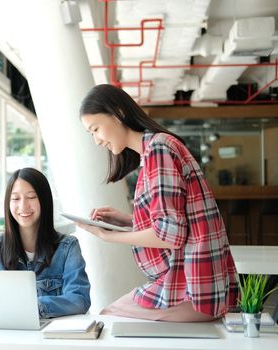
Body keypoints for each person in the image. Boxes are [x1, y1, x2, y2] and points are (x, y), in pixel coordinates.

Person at [77, 84, 238, 322]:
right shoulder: (154, 150)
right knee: (110, 317)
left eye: (96, 129)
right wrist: (128, 221)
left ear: (118, 113)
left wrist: (107, 236)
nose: (97, 141)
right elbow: (179, 223)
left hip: (194, 290)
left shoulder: (158, 149)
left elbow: (170, 235)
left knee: (108, 317)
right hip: (198, 284)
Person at [0, 167, 91, 318]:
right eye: (16, 198)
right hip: (1, 334)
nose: (23, 206)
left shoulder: (68, 247)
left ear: (44, 200)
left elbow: (79, 300)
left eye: (31, 197)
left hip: (48, 337)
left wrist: (30, 308)